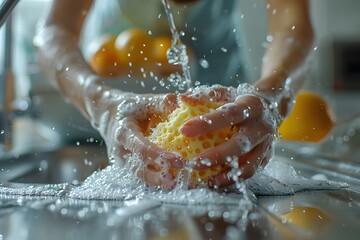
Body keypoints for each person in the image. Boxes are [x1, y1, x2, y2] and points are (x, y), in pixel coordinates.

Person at [33, 0, 314, 190]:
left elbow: (293, 25)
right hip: (105, 119)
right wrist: (101, 103)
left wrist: (271, 97)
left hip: (231, 123)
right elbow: (53, 30)